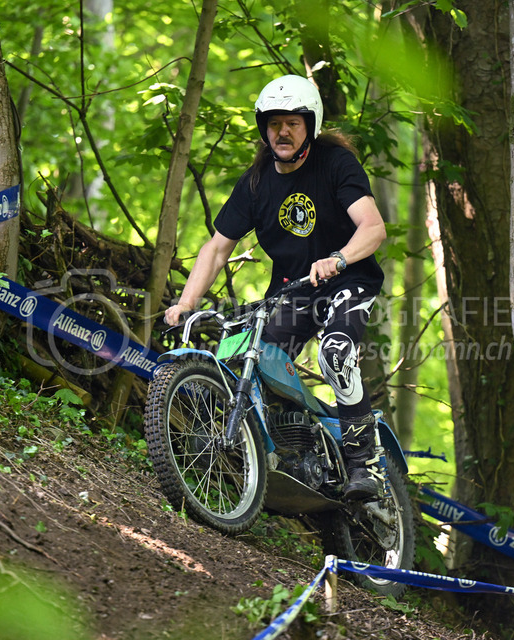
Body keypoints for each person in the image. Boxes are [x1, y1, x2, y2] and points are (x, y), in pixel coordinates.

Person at [165, 74, 387, 500]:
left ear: (310, 126)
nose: (282, 132)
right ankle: (288, 453)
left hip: (349, 279)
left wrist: (339, 258)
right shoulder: (256, 182)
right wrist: (186, 303)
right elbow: (217, 248)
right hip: (295, 290)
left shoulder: (336, 164)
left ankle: (365, 464)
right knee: (253, 359)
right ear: (263, 129)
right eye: (274, 124)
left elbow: (373, 228)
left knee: (335, 353)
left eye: (292, 123)